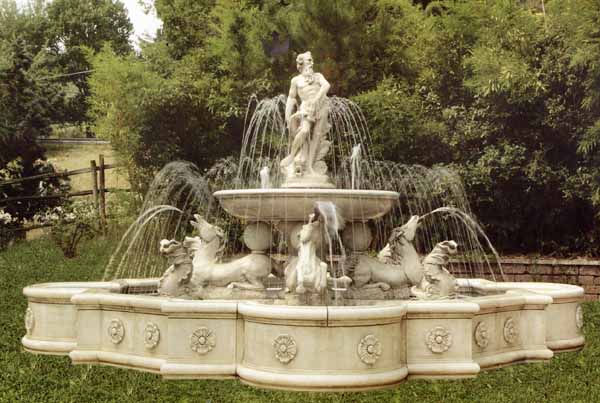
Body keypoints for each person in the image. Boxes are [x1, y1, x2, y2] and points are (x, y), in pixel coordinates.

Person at [281, 51, 331, 177]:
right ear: (301, 63)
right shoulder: (296, 80)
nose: (312, 63)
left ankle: (310, 167)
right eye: (309, 60)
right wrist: (288, 117)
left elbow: (326, 86)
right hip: (306, 108)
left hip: (321, 106)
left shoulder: (318, 76)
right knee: (304, 131)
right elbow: (291, 98)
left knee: (317, 136)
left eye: (312, 60)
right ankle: (292, 156)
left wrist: (316, 99)